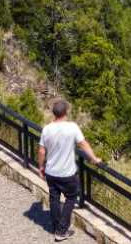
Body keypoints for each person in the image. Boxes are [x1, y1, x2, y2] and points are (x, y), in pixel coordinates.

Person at [38, 99, 102, 242]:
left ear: (54, 113)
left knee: (54, 198)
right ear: (66, 112)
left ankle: (56, 226)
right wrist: (94, 159)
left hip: (51, 171)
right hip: (67, 173)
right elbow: (83, 144)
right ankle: (61, 230)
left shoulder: (47, 129)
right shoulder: (72, 127)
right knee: (71, 197)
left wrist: (41, 167)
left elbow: (42, 151)